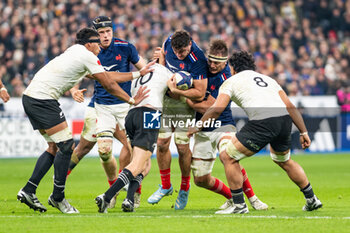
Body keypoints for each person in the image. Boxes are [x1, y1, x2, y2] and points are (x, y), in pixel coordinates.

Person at [17, 28, 154, 214]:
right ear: (89, 44)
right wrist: (131, 100)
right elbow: (109, 84)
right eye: (97, 41)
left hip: (30, 97)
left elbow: (107, 76)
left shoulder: (75, 51)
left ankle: (29, 190)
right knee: (66, 147)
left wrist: (138, 73)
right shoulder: (88, 56)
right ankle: (58, 198)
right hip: (43, 100)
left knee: (54, 148)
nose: (100, 45)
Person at [188, 50, 322, 214]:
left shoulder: (230, 81)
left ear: (233, 68)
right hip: (284, 120)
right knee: (284, 160)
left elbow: (216, 109)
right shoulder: (268, 80)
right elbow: (290, 106)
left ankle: (239, 205)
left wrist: (198, 126)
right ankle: (311, 199)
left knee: (227, 156)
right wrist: (303, 132)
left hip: (263, 121)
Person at [67, 16, 147, 208]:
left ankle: (130, 193)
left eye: (108, 31)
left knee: (132, 151)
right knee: (97, 150)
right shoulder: (89, 51)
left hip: (124, 107)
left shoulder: (126, 47)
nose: (105, 36)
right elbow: (76, 73)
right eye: (101, 33)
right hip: (99, 106)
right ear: (95, 35)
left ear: (113, 31)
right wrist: (73, 89)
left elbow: (144, 70)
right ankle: (111, 190)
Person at [182, 40, 268, 211]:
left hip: (223, 124)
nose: (212, 66)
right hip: (204, 130)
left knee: (228, 155)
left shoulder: (228, 77)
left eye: (217, 63)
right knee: (200, 179)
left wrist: (186, 98)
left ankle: (253, 198)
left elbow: (209, 107)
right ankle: (232, 196)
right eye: (211, 61)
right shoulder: (201, 68)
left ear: (225, 61)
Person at [95, 63, 176, 213]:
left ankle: (129, 199)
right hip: (150, 114)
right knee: (138, 164)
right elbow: (175, 92)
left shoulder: (141, 74)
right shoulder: (166, 73)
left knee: (143, 165)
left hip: (131, 115)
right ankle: (106, 197)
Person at [148, 29, 208, 210]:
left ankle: (184, 188)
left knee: (182, 147)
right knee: (161, 142)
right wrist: (161, 61)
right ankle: (166, 185)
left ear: (190, 44)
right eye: (175, 51)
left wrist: (177, 91)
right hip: (165, 101)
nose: (178, 55)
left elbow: (200, 93)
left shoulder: (198, 60)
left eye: (182, 52)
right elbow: (164, 65)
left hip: (184, 105)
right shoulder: (168, 42)